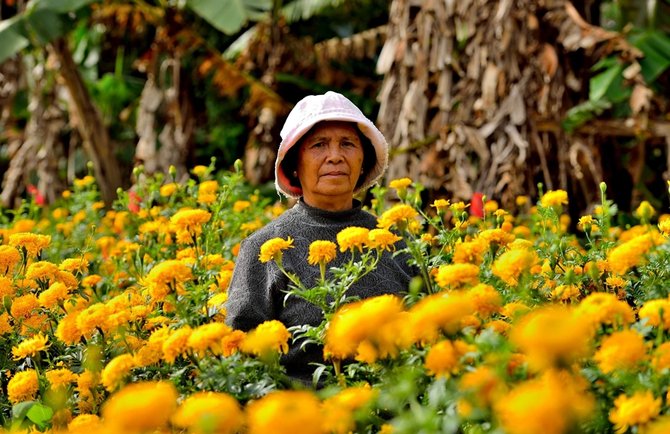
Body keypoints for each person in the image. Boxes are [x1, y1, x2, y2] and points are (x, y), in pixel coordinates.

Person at [225, 91, 415, 384]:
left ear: (363, 161)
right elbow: (243, 358)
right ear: (294, 166)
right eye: (319, 145)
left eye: (348, 144)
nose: (335, 156)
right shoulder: (264, 248)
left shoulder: (394, 241)